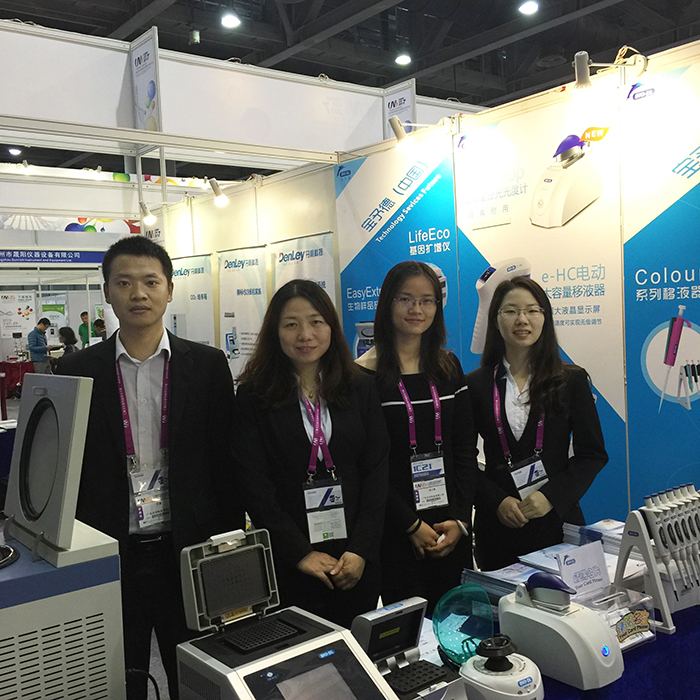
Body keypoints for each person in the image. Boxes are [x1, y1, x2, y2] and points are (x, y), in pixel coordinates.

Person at [58, 236, 243, 700]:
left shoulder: (207, 365)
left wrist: (225, 545)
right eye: (124, 282)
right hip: (109, 553)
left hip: (188, 552)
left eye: (150, 282)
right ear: (107, 291)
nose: (138, 293)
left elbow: (225, 463)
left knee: (197, 675)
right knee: (118, 677)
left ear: (169, 289)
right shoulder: (76, 369)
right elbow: (66, 470)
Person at [234, 279, 389, 628]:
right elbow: (253, 485)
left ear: (331, 326)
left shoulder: (361, 386)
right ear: (275, 332)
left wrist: (360, 550)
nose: (305, 334)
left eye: (316, 321)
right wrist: (299, 554)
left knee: (360, 651)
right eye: (291, 324)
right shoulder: (254, 396)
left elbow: (377, 472)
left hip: (356, 560)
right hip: (291, 564)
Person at [356, 261, 477, 614]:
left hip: (449, 523)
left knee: (459, 622)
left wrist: (460, 520)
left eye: (427, 301)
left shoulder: (448, 366)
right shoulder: (362, 375)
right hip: (395, 526)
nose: (416, 309)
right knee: (409, 629)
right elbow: (369, 465)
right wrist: (409, 525)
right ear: (387, 303)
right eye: (405, 299)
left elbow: (464, 449)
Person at [467, 276, 608, 571]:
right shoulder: (475, 385)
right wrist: (496, 501)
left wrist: (550, 497)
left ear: (545, 317)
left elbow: (592, 454)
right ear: (496, 319)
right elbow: (462, 459)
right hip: (498, 529)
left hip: (557, 525)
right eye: (511, 311)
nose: (522, 319)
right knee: (502, 601)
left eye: (532, 310)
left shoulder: (571, 380)